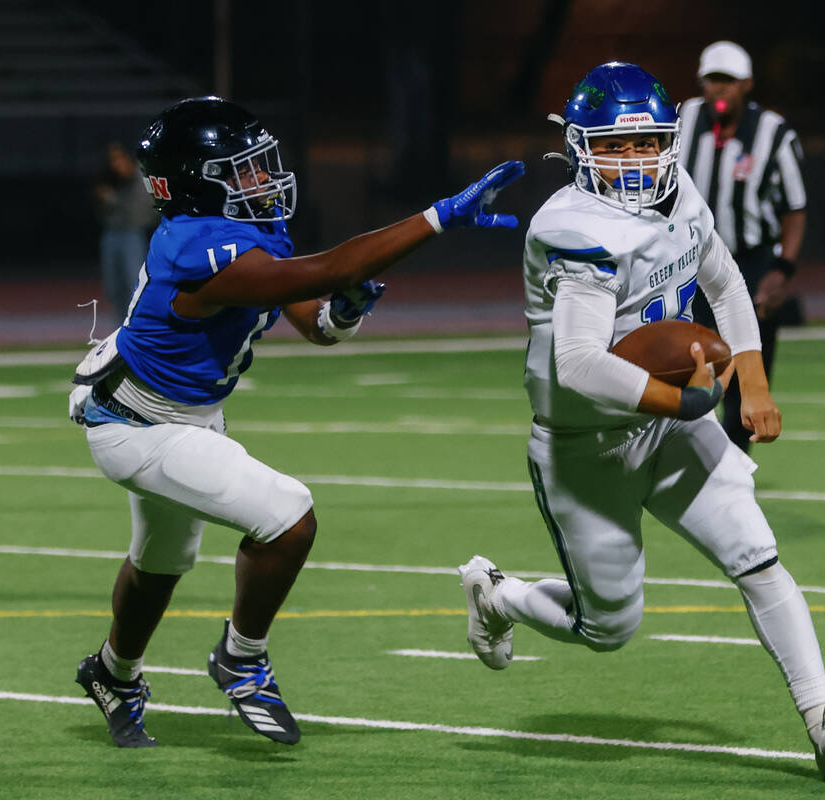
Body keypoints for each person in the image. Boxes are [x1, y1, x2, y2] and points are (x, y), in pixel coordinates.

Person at [456, 63, 825, 782]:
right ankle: (500, 595)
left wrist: (753, 382)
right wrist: (683, 399)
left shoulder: (679, 193)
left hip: (673, 422)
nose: (635, 160)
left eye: (647, 142)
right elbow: (583, 363)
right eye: (616, 148)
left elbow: (724, 280)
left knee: (759, 556)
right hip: (586, 442)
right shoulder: (570, 227)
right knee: (609, 628)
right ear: (580, 146)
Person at [68, 96, 523, 748]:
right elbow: (325, 270)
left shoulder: (239, 233)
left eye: (260, 165)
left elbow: (312, 315)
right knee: (288, 518)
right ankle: (242, 658)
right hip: (139, 424)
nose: (263, 179)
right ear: (197, 182)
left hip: (183, 413)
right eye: (242, 170)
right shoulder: (194, 244)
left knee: (162, 561)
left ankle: (114, 673)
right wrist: (437, 218)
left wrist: (342, 314)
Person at [678, 41, 807, 453]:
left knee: (745, 380)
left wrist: (782, 269)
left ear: (747, 84)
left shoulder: (774, 133)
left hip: (750, 264)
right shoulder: (682, 120)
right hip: (689, 264)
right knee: (684, 369)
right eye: (712, 80)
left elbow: (794, 207)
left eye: (728, 81)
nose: (719, 89)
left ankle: (733, 472)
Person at [93, 142, 156, 324]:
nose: (117, 164)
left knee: (134, 284)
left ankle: (140, 327)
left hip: (134, 234)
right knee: (114, 287)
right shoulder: (108, 177)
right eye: (113, 160)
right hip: (111, 234)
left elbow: (138, 212)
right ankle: (120, 329)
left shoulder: (140, 177)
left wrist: (112, 199)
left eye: (119, 158)